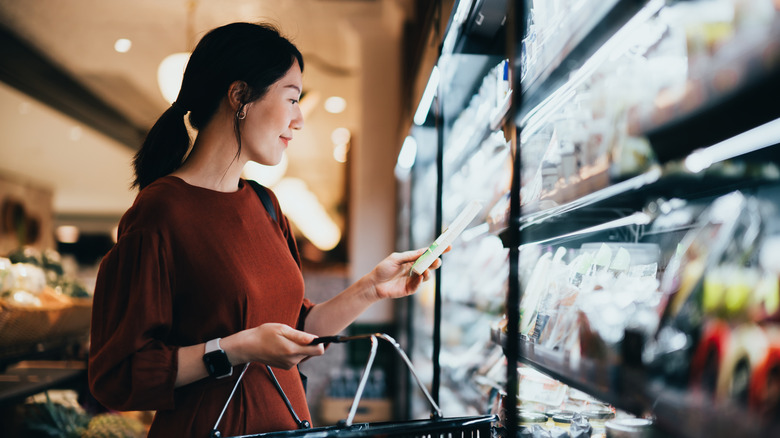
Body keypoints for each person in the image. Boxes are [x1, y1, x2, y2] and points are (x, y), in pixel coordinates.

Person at [87, 22, 443, 437]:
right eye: (292, 99)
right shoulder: (160, 211)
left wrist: (372, 288)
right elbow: (118, 376)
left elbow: (298, 332)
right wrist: (236, 349)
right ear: (239, 96)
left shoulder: (266, 205)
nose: (299, 120)